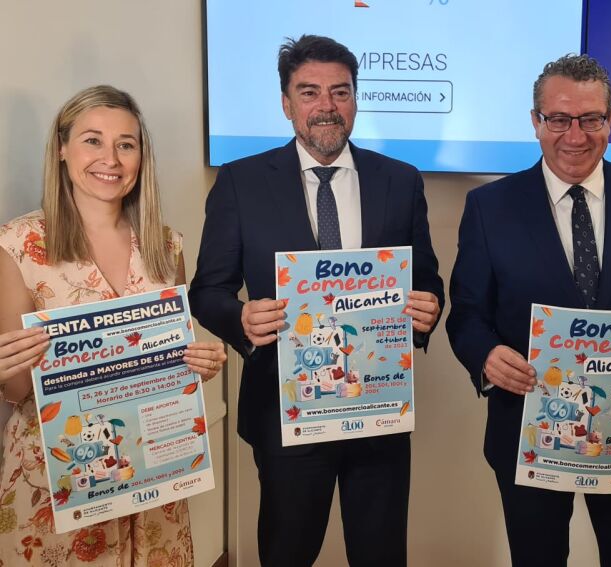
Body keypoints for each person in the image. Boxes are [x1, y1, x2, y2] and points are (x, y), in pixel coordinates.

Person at [189, 35, 444, 567]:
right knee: (287, 552)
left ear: (355, 99)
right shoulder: (241, 182)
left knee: (380, 556)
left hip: (376, 410)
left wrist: (428, 311)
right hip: (284, 413)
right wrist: (240, 319)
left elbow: (427, 280)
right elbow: (207, 291)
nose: (326, 105)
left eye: (340, 92)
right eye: (309, 92)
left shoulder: (400, 181)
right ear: (287, 104)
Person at [446, 54, 611, 566]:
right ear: (535, 121)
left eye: (590, 119)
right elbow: (466, 313)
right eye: (559, 119)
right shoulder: (490, 207)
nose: (575, 136)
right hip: (529, 430)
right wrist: (487, 356)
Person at [0, 85, 226, 565]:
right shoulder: (18, 244)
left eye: (126, 144)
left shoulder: (166, 245)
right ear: (62, 149)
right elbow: (17, 391)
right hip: (59, 481)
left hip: (153, 477)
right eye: (92, 141)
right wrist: (9, 366)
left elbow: (170, 368)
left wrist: (197, 365)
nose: (111, 159)